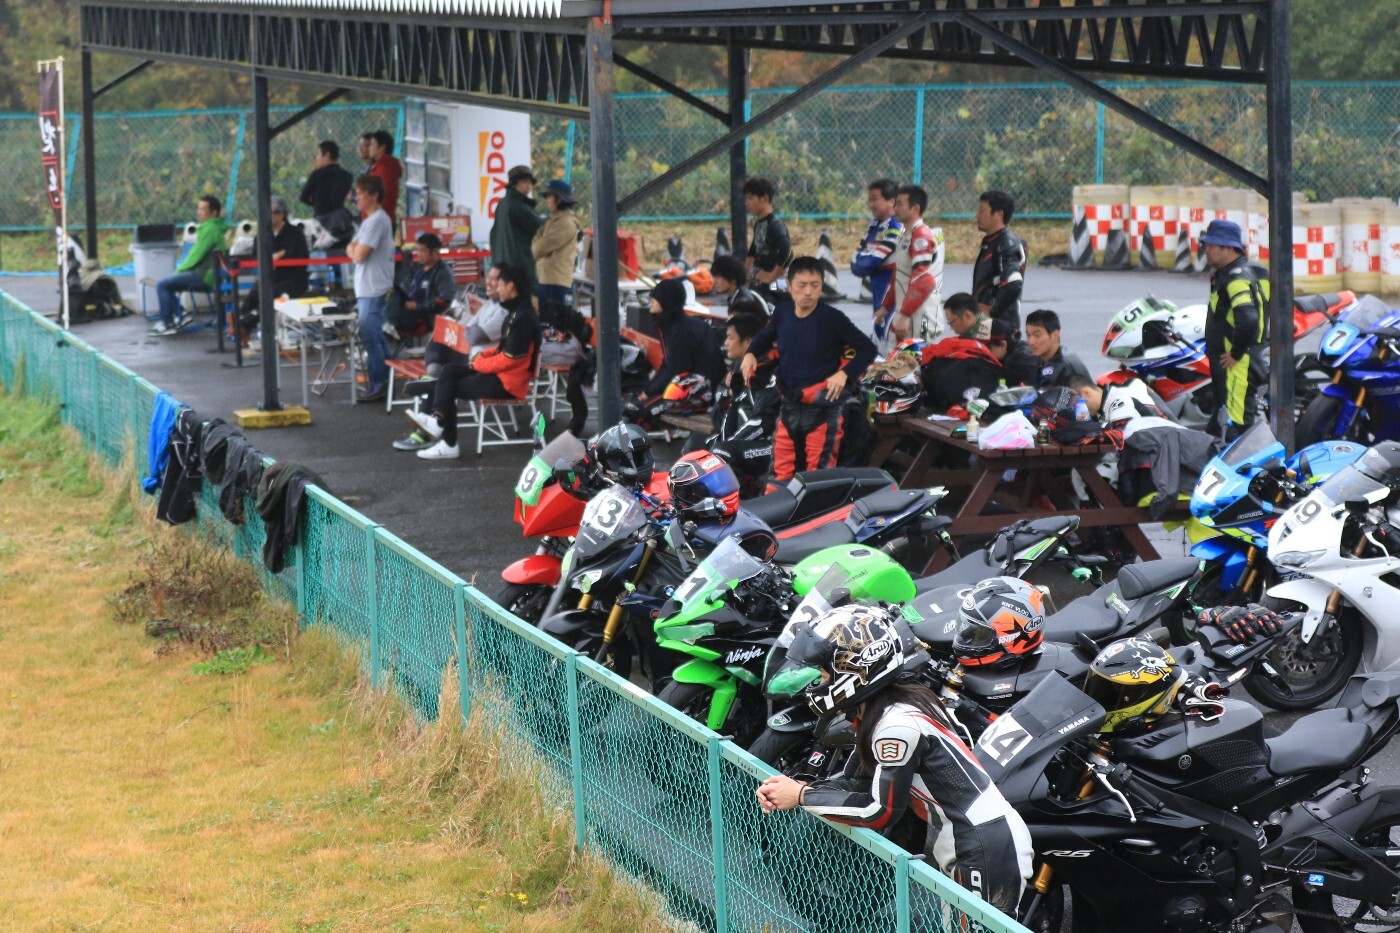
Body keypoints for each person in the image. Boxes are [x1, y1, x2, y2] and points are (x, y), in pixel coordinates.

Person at [757, 604, 1033, 915]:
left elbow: (878, 810)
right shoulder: (887, 708)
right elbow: (858, 782)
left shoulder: (896, 727)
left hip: (983, 843)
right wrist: (799, 786)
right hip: (969, 838)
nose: (816, 683)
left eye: (823, 673)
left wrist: (802, 796)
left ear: (855, 670)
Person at [741, 256, 877, 479]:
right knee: (780, 473)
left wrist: (845, 374)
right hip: (789, 406)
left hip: (823, 408)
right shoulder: (782, 313)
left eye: (815, 285)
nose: (808, 292)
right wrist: (750, 354)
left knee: (818, 476)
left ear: (822, 286)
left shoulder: (833, 319)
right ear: (789, 285)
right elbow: (764, 337)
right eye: (802, 285)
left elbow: (868, 349)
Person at [406, 262, 540, 460]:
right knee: (449, 371)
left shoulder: (523, 317)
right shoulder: (516, 312)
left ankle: (447, 441)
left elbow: (510, 359)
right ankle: (437, 421)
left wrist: (479, 363)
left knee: (448, 386)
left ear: (511, 286)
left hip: (508, 384)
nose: (497, 289)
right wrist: (482, 357)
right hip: (499, 374)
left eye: (500, 285)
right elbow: (503, 349)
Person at [622, 277, 725, 429]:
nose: (651, 300)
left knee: (635, 410)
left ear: (666, 301)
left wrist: (648, 392)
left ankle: (626, 441)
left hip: (699, 392)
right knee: (632, 403)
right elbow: (668, 365)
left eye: (655, 298)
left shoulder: (681, 330)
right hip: (686, 386)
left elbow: (676, 370)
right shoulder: (672, 324)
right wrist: (647, 390)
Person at [1200, 219, 1267, 440]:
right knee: (1220, 423)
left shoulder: (1235, 278)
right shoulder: (1232, 273)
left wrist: (1236, 353)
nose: (1206, 251)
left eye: (1212, 246)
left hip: (1238, 365)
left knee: (1235, 428)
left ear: (1229, 248)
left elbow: (1248, 318)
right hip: (1233, 364)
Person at [347, 174, 395, 402]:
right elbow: (352, 247)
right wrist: (354, 249)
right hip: (368, 287)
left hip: (373, 288)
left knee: (369, 334)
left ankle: (379, 382)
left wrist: (354, 250)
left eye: (360, 194)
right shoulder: (370, 221)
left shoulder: (376, 221)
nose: (356, 198)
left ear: (374, 195)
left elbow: (359, 254)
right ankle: (387, 376)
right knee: (374, 333)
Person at [151, 194, 229, 336]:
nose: (199, 212)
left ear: (213, 213)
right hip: (209, 274)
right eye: (198, 209)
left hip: (205, 276)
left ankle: (168, 323)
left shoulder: (210, 229)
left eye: (203, 209)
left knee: (163, 285)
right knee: (168, 283)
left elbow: (196, 255)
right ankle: (180, 314)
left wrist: (179, 270)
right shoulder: (211, 227)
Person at [877, 184, 945, 343]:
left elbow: (924, 280)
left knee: (916, 357)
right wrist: (885, 307)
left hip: (919, 316)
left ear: (915, 208)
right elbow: (899, 275)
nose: (895, 208)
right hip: (907, 314)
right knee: (897, 356)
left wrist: (905, 315)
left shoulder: (921, 236)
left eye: (900, 204)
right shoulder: (907, 235)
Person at [237, 195, 309, 342]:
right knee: (254, 294)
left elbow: (295, 257)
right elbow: (258, 257)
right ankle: (241, 322)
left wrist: (273, 258)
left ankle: (244, 325)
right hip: (270, 278)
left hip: (292, 280)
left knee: (269, 296)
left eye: (269, 213)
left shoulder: (295, 234)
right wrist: (275, 257)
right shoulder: (262, 235)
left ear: (281, 215)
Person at [850, 178, 902, 346]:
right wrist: (861, 261)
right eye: (870, 199)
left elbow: (874, 259)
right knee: (878, 321)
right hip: (877, 281)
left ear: (891, 201)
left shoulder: (896, 224)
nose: (871, 204)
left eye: (875, 199)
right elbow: (858, 256)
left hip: (891, 280)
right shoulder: (873, 224)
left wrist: (864, 261)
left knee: (888, 322)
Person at [972, 189, 1027, 334]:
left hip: (1000, 325)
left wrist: (993, 311)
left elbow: (1014, 283)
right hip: (986, 321)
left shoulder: (1007, 243)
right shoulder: (991, 241)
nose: (977, 215)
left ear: (998, 215)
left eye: (982, 210)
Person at [389, 232, 456, 336]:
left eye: (423, 250)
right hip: (409, 307)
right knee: (392, 294)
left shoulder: (443, 273)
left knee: (400, 315)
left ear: (435, 252)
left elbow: (444, 301)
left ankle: (391, 328)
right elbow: (405, 288)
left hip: (425, 315)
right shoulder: (417, 268)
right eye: (418, 250)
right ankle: (389, 326)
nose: (419, 254)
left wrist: (418, 306)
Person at [490, 165, 544, 291]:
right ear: (514, 184)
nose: (529, 186)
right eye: (525, 181)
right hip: (521, 267)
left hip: (504, 266)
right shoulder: (518, 206)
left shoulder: (502, 204)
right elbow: (541, 228)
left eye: (530, 182)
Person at [531, 179, 581, 307]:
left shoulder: (565, 223)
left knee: (551, 317)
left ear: (560, 200)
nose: (547, 200)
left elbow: (539, 248)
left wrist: (536, 244)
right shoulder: (555, 220)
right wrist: (537, 243)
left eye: (550, 197)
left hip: (555, 282)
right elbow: (537, 240)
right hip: (548, 280)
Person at [743, 177, 792, 303]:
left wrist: (773, 275)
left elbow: (787, 250)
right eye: (746, 199)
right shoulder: (759, 224)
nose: (747, 203)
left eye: (750, 198)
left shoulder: (774, 225)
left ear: (764, 198)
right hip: (761, 283)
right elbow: (753, 250)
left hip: (775, 287)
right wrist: (746, 276)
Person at [1023, 309, 1090, 389]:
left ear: (1055, 334)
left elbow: (1045, 395)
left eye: (1037, 335)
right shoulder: (1066, 355)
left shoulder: (1060, 366)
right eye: (1028, 335)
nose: (1031, 342)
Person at [298, 140, 355, 227]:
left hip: (321, 221)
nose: (317, 158)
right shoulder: (347, 176)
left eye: (318, 154)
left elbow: (303, 197)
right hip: (340, 222)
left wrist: (317, 202)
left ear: (327, 155)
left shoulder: (317, 174)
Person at [710, 254, 770, 320]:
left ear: (733, 279)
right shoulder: (735, 295)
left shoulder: (743, 303)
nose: (714, 281)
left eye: (718, 277)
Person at [365, 130, 403, 227]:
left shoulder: (384, 169)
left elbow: (380, 196)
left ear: (382, 147)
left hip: (378, 222)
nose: (369, 148)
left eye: (372, 144)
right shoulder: (379, 166)